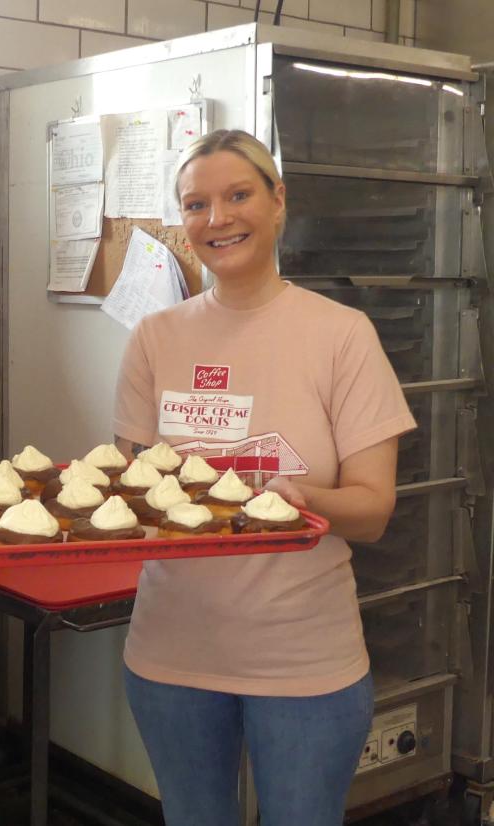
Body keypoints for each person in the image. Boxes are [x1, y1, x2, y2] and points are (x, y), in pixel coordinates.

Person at [113, 129, 415, 826]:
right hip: (170, 654)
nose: (217, 219)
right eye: (196, 204)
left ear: (278, 203)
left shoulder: (341, 334)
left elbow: (373, 510)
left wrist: (303, 501)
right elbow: (132, 489)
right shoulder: (154, 338)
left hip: (304, 659)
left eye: (238, 195)